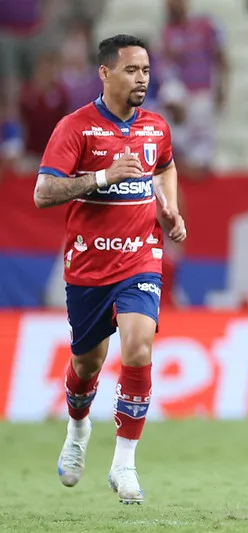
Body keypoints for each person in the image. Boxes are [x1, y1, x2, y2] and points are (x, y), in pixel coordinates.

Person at [33, 34, 186, 504]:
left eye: (145, 70)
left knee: (139, 346)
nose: (142, 79)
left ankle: (124, 465)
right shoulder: (75, 128)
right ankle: (78, 432)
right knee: (87, 363)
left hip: (140, 257)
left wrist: (170, 206)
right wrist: (102, 177)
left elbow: (165, 165)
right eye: (131, 70)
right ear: (105, 73)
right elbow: (42, 194)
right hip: (89, 266)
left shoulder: (156, 126)